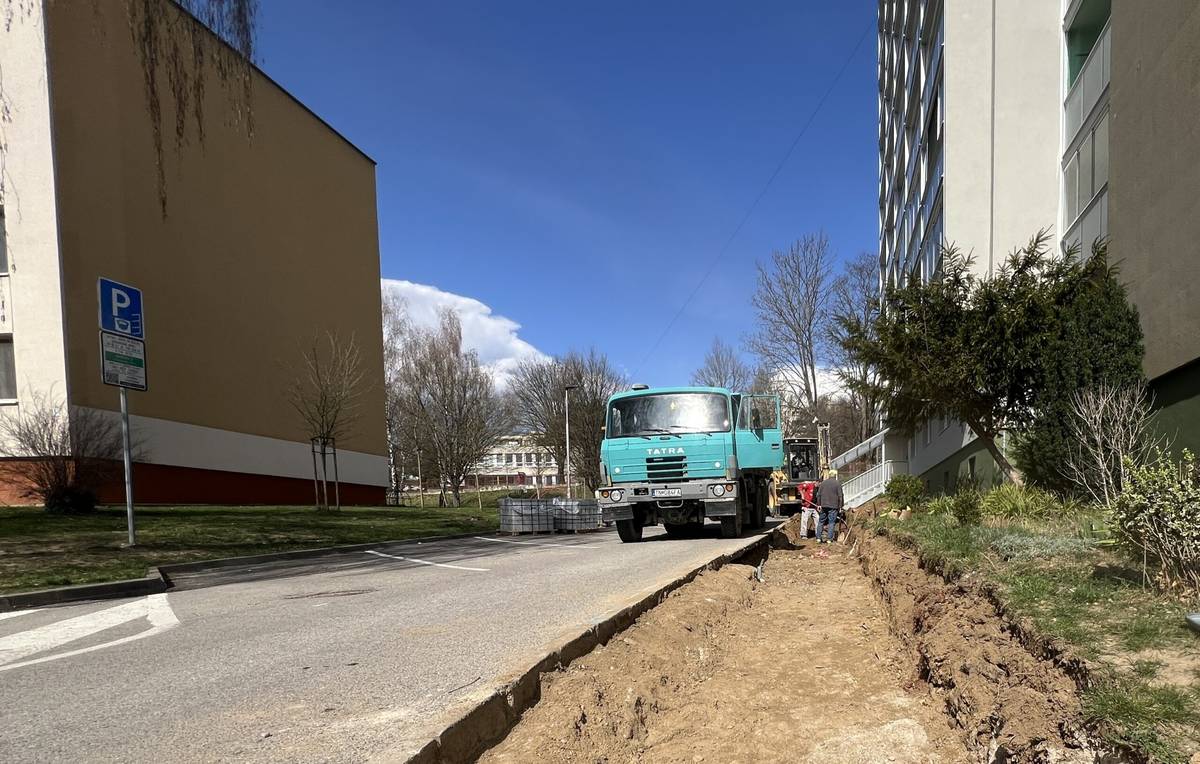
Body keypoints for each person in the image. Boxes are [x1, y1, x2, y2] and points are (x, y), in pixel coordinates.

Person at [816, 469, 844, 544]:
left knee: (821, 521)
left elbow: (819, 495)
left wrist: (819, 504)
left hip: (823, 505)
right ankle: (829, 539)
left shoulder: (823, 483)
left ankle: (818, 538)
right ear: (835, 475)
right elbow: (840, 496)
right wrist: (840, 506)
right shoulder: (837, 483)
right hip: (833, 506)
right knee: (831, 522)